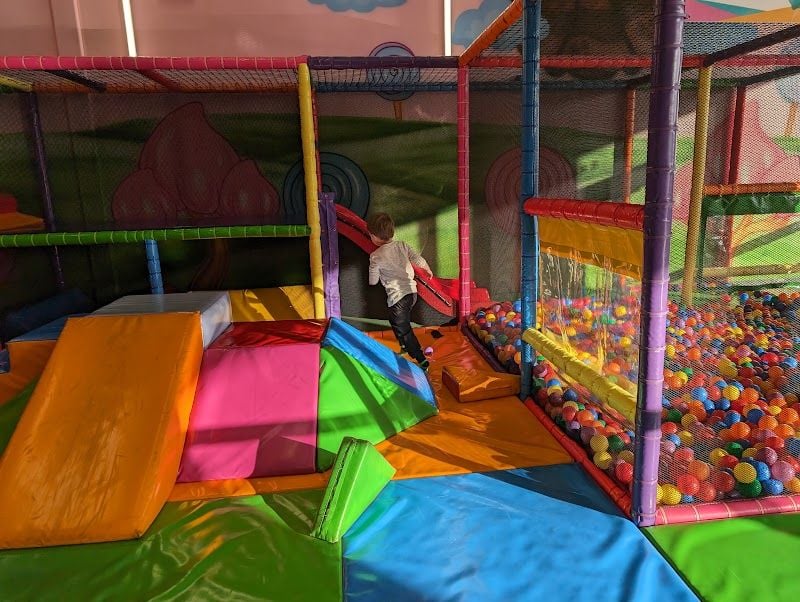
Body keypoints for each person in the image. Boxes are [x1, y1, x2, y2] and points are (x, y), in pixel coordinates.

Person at [367, 212, 431, 370]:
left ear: (374, 236)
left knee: (404, 328)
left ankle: (421, 359)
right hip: (411, 293)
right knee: (395, 320)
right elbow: (418, 259)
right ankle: (404, 345)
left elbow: (373, 281)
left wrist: (374, 274)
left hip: (398, 298)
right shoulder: (402, 245)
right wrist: (427, 269)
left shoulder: (375, 256)